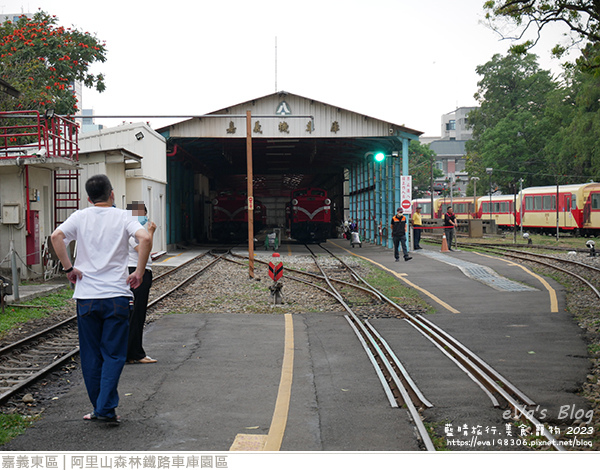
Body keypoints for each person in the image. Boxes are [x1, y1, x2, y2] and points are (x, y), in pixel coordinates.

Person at [50, 174, 151, 425]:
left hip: (87, 297)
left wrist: (68, 268)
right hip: (117, 296)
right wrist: (138, 271)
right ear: (112, 194)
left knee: (91, 355)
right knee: (114, 355)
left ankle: (102, 408)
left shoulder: (80, 216)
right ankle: (106, 408)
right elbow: (145, 238)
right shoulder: (123, 216)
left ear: (88, 198)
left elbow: (56, 237)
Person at [127, 202, 157, 364]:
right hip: (136, 271)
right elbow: (144, 249)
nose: (144, 216)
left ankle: (132, 352)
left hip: (138, 270)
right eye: (141, 214)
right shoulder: (132, 232)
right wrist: (151, 233)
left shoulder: (136, 231)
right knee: (136, 314)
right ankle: (134, 353)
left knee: (136, 314)